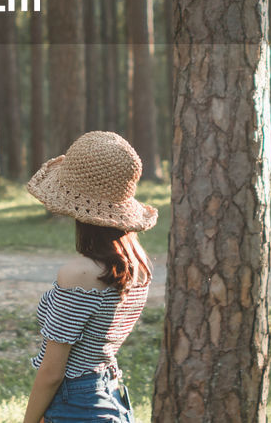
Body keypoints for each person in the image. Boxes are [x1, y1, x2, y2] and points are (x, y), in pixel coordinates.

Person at [21, 131, 158, 423]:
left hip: (76, 405)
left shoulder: (78, 275)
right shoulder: (137, 264)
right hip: (109, 394)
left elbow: (52, 371)